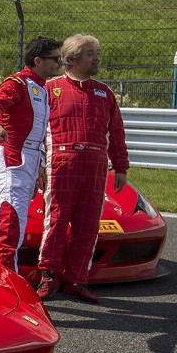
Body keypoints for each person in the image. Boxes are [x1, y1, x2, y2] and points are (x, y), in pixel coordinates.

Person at [36, 34, 130, 304]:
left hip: (97, 164)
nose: (97, 57)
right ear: (72, 58)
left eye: (97, 52)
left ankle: (77, 279)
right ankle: (49, 277)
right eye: (90, 53)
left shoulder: (105, 92)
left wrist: (121, 167)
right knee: (56, 220)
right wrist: (39, 164)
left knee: (88, 225)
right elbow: (35, 131)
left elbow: (117, 133)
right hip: (61, 162)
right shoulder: (49, 89)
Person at [0, 37, 62, 274]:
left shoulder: (42, 88)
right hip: (13, 155)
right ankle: (4, 283)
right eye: (55, 59)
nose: (59, 63)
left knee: (16, 222)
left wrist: (39, 164)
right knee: (11, 223)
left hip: (30, 157)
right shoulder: (17, 83)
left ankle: (2, 278)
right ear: (38, 61)